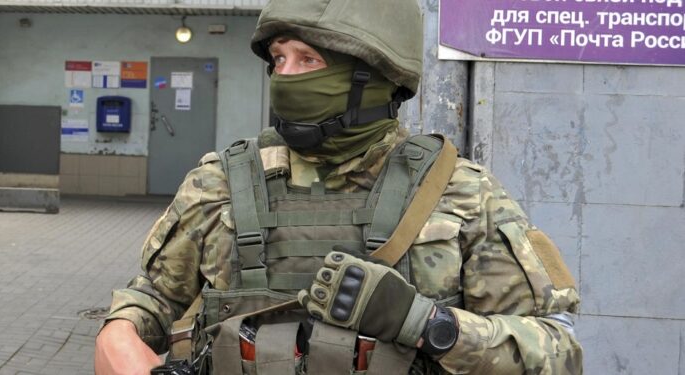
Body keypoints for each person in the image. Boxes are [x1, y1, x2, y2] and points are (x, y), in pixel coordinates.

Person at [95, 0, 583, 373]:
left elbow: (557, 351)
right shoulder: (220, 181)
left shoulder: (461, 193)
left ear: (374, 76)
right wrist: (118, 334)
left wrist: (427, 325)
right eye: (278, 59)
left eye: (307, 59)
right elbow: (153, 297)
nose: (284, 77)